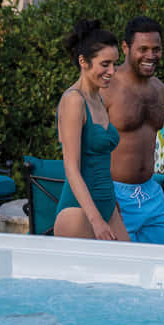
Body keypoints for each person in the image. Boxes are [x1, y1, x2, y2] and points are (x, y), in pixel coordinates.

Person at [54, 19, 130, 241]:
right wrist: (95, 220)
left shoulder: (98, 97)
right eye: (105, 64)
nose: (112, 71)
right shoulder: (73, 101)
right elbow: (71, 168)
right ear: (83, 61)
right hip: (79, 212)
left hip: (107, 205)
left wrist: (111, 209)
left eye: (115, 64)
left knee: (134, 270)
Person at [100, 16, 164, 245]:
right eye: (143, 49)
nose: (151, 56)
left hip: (151, 194)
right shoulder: (106, 87)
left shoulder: (159, 89)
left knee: (160, 269)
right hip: (115, 196)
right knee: (120, 274)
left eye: (156, 49)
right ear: (125, 48)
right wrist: (105, 197)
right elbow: (86, 147)